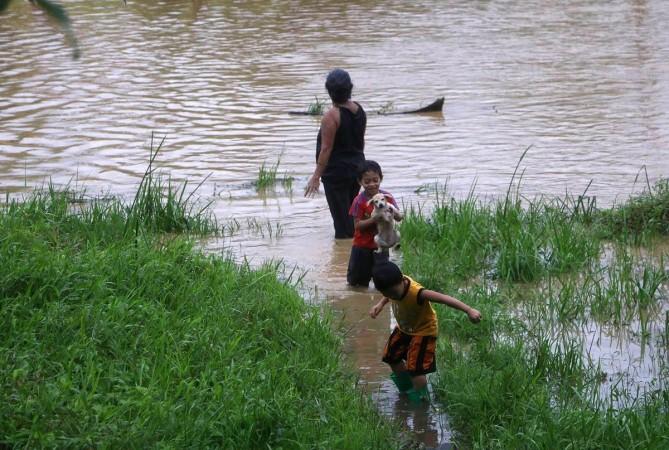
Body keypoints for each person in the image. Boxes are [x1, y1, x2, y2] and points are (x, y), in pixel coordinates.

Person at [369, 261, 482, 403]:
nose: (393, 296)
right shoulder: (393, 285)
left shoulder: (418, 293)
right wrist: (380, 304)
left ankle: (422, 400)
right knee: (391, 356)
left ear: (402, 281)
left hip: (423, 331)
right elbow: (389, 294)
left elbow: (444, 299)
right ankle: (406, 390)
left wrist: (469, 310)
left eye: (394, 293)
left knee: (416, 369)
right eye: (387, 294)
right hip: (405, 328)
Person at [304, 69, 366, 239]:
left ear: (329, 91)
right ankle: (353, 252)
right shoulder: (359, 110)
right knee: (350, 216)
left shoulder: (331, 116)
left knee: (342, 226)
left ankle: (344, 259)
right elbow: (360, 141)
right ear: (350, 88)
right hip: (357, 168)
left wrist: (316, 176)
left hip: (337, 174)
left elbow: (326, 148)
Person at [347, 160, 402, 287]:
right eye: (367, 182)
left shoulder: (387, 197)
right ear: (360, 182)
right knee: (356, 284)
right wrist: (375, 219)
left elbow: (398, 217)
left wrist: (396, 215)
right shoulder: (359, 201)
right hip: (362, 247)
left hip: (382, 246)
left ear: (380, 179)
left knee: (383, 283)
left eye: (375, 180)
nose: (372, 184)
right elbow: (357, 226)